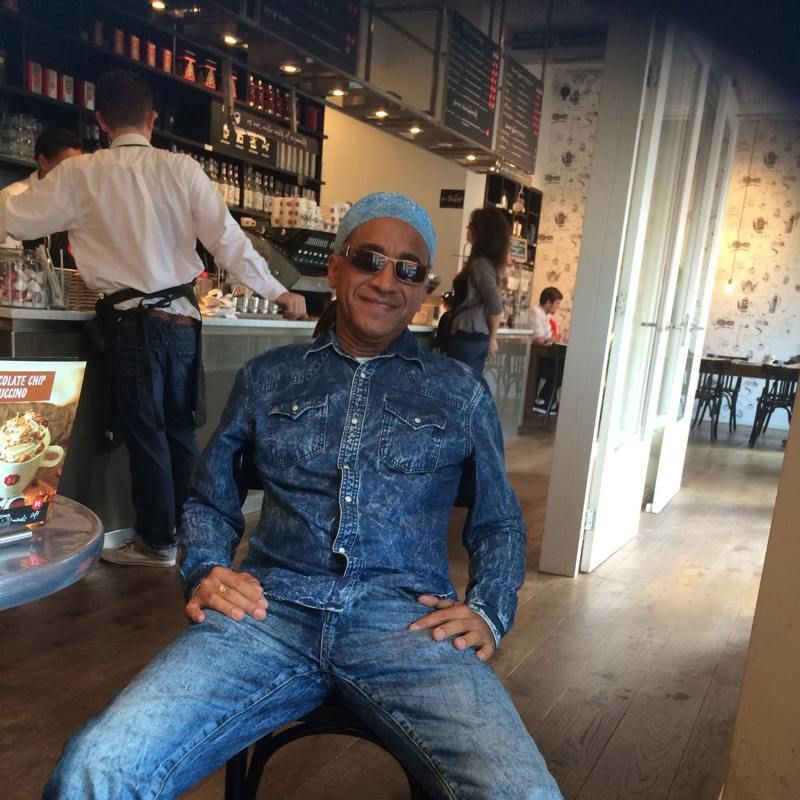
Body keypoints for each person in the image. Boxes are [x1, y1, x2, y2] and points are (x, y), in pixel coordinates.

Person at [42, 192, 564, 800]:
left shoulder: (459, 392)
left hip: (408, 623)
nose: (386, 281)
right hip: (268, 613)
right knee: (95, 767)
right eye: (369, 259)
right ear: (336, 267)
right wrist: (206, 568)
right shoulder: (268, 377)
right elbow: (211, 498)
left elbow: (499, 522)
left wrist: (490, 610)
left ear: (425, 289)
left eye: (408, 270)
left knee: (522, 792)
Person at [0, 70, 306, 569]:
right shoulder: (182, 169)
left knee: (147, 435)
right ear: (152, 119)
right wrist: (279, 292)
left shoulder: (81, 174)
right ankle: (189, 534)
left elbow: (14, 216)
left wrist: (30, 183)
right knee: (180, 432)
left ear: (101, 121)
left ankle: (155, 541)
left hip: (132, 324)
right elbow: (229, 241)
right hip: (182, 319)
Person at [442, 206, 509, 375]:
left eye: (471, 225)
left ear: (481, 232)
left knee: (461, 385)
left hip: (469, 336)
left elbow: (495, 305)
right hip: (470, 336)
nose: (467, 228)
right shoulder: (483, 263)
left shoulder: (480, 264)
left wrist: (492, 338)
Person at [0, 127, 82, 250]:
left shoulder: (77, 198)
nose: (73, 174)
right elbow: (9, 255)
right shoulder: (12, 197)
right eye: (66, 168)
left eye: (77, 168)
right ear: (43, 161)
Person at [530, 286, 564, 414]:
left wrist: (549, 338)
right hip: (532, 356)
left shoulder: (546, 316)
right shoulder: (535, 312)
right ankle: (545, 400)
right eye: (557, 303)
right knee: (560, 367)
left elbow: (551, 336)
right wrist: (549, 338)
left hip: (542, 355)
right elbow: (539, 339)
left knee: (563, 365)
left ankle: (547, 400)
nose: (558, 307)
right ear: (548, 302)